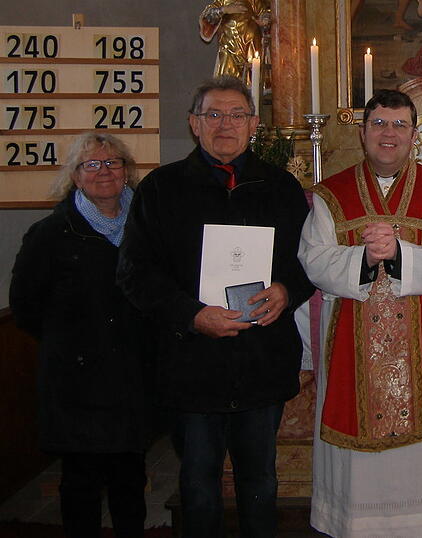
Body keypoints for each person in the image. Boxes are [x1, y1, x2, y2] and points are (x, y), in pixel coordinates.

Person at [117, 76, 314, 538]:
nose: (226, 124)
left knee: (260, 480)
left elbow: (308, 261)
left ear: (253, 125)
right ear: (194, 123)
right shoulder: (161, 189)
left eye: (237, 115)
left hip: (261, 360)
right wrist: (191, 314)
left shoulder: (281, 187)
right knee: (200, 485)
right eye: (214, 114)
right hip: (191, 363)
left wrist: (287, 290)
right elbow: (135, 273)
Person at [298, 89, 422, 537]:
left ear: (415, 134)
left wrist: (398, 255)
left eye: (399, 125)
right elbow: (313, 261)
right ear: (362, 132)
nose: (388, 134)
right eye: (378, 124)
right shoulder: (329, 195)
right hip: (351, 349)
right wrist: (363, 259)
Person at [10, 132, 151, 538]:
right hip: (77, 384)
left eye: (113, 163)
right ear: (75, 175)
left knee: (130, 482)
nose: (104, 171)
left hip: (131, 378)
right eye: (92, 164)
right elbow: (25, 306)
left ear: (127, 172)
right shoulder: (50, 234)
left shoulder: (146, 227)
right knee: (81, 485)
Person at [199, 0, 272, 83]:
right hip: (229, 48)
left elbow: (264, 12)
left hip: (251, 46)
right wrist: (224, 10)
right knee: (227, 83)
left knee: (254, 80)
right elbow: (208, 17)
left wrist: (265, 19)